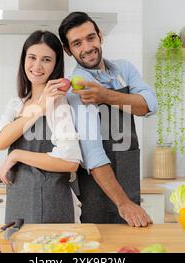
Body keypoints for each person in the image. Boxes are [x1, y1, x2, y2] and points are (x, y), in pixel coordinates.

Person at [58, 12, 158, 227]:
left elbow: (149, 105)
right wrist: (123, 204)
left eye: (90, 38)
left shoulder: (124, 69)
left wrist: (105, 96)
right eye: (77, 43)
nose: (87, 47)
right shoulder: (77, 86)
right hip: (98, 188)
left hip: (129, 174)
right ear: (68, 50)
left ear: (100, 36)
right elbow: (93, 153)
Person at [0, 30, 83, 224]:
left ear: (55, 65)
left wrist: (17, 155)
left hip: (50, 202)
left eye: (46, 60)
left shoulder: (59, 104)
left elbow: (70, 161)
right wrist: (38, 109)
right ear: (24, 59)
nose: (37, 66)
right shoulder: (17, 103)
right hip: (18, 198)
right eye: (32, 57)